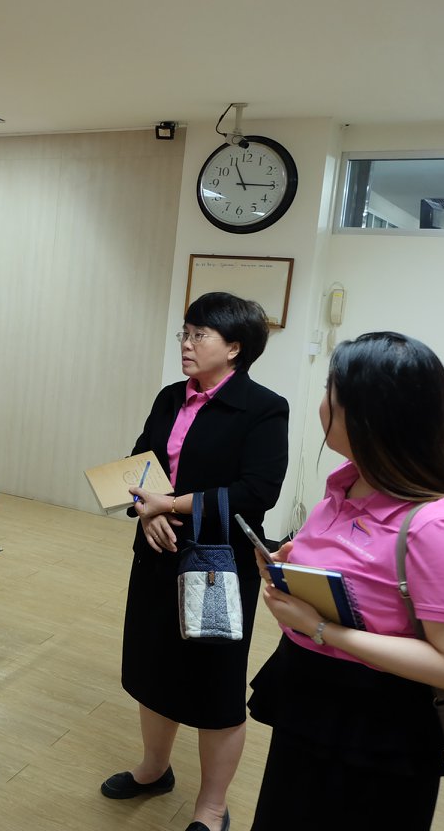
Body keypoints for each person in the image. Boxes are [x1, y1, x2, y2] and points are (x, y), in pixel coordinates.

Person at [247, 332, 444, 831]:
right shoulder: (347, 483)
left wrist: (322, 629)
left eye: (331, 392)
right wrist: (291, 571)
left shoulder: (441, 527)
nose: (322, 404)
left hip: (374, 728)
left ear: (369, 416)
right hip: (307, 698)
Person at [102, 292, 288, 831]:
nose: (186, 343)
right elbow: (139, 464)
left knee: (215, 684)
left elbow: (257, 492)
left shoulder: (263, 407)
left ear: (234, 348)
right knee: (152, 666)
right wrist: (146, 512)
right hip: (157, 552)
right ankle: (154, 768)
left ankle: (212, 805)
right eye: (184, 333)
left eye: (199, 335)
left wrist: (171, 505)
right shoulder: (170, 397)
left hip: (216, 565)